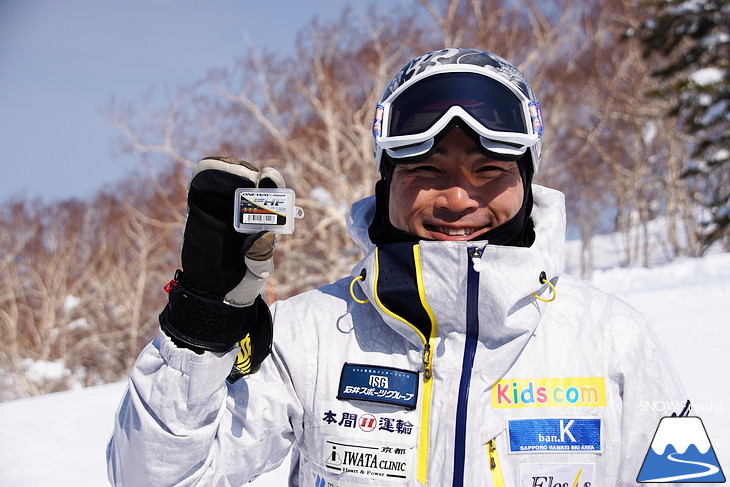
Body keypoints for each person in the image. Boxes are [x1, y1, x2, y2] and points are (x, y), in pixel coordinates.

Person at [107, 48, 688, 486]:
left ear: (527, 181)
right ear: (388, 184)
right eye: (427, 171)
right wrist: (201, 322)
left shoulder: (611, 338)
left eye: (487, 171)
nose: (458, 198)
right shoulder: (307, 336)